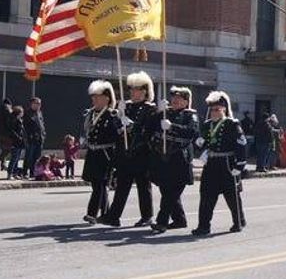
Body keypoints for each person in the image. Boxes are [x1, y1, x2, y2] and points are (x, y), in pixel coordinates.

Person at [99, 71, 156, 228]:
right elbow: (116, 128)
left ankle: (147, 216)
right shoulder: (126, 106)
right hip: (124, 152)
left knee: (143, 187)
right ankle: (113, 216)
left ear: (144, 91)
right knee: (121, 187)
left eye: (136, 89)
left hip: (141, 152)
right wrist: (118, 115)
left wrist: (130, 125)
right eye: (131, 89)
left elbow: (148, 130)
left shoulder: (150, 108)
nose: (132, 92)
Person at [192, 91, 247, 236]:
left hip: (227, 163)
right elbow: (200, 143)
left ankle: (239, 221)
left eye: (217, 109)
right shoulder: (207, 125)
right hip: (211, 163)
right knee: (206, 196)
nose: (214, 112)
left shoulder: (231, 124)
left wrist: (239, 165)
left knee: (232, 196)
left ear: (224, 109)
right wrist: (199, 145)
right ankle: (203, 226)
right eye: (212, 110)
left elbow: (241, 144)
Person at [149, 86, 199, 234]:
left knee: (171, 193)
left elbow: (192, 132)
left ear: (186, 101)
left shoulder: (191, 116)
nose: (175, 101)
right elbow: (149, 126)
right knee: (167, 192)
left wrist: (172, 126)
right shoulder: (165, 113)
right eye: (174, 98)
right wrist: (158, 112)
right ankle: (179, 220)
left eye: (180, 98)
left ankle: (161, 222)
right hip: (164, 159)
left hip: (180, 160)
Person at [81, 80, 124, 224]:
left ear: (106, 98)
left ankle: (91, 213)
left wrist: (122, 118)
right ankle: (106, 212)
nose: (94, 99)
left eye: (97, 96)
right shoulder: (91, 113)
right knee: (96, 184)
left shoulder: (112, 115)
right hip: (93, 153)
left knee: (100, 184)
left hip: (106, 153)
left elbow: (119, 135)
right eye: (93, 97)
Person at [23, 97, 46, 178]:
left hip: (40, 138)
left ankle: (33, 172)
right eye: (36, 103)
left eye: (39, 104)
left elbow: (42, 124)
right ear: (32, 104)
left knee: (37, 157)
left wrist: (43, 134)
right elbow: (25, 127)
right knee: (29, 156)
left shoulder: (39, 113)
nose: (38, 105)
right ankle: (25, 172)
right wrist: (29, 136)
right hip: (31, 139)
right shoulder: (27, 113)